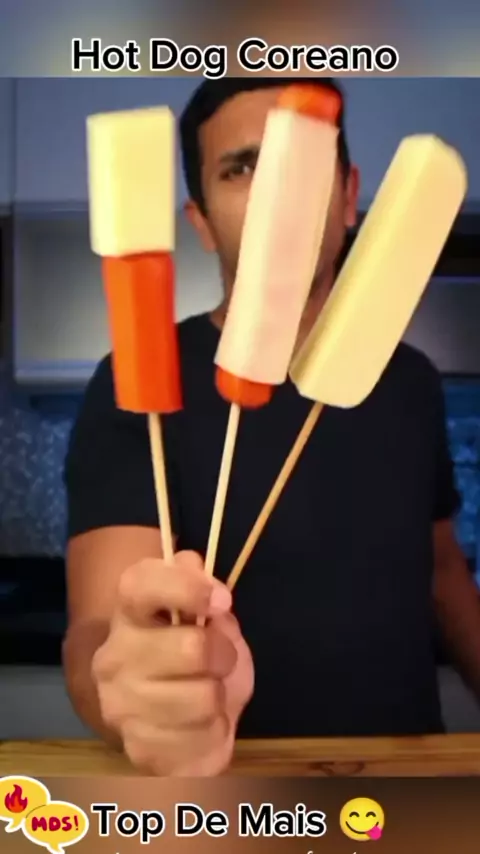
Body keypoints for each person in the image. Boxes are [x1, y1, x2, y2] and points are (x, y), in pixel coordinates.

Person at [63, 78, 480, 777]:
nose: (279, 188)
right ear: (200, 221)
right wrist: (137, 694)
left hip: (403, 782)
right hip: (233, 793)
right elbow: (99, 627)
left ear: (348, 196)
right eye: (242, 167)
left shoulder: (413, 380)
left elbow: (441, 569)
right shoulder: (135, 385)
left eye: (304, 158)